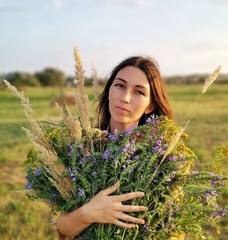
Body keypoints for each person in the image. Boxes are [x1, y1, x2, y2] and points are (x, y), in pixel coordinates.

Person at [51, 55, 173, 239]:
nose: (125, 98)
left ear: (151, 105)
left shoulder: (164, 159)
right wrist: (88, 213)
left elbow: (172, 229)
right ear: (109, 91)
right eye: (119, 85)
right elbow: (59, 225)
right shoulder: (80, 148)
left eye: (139, 92)